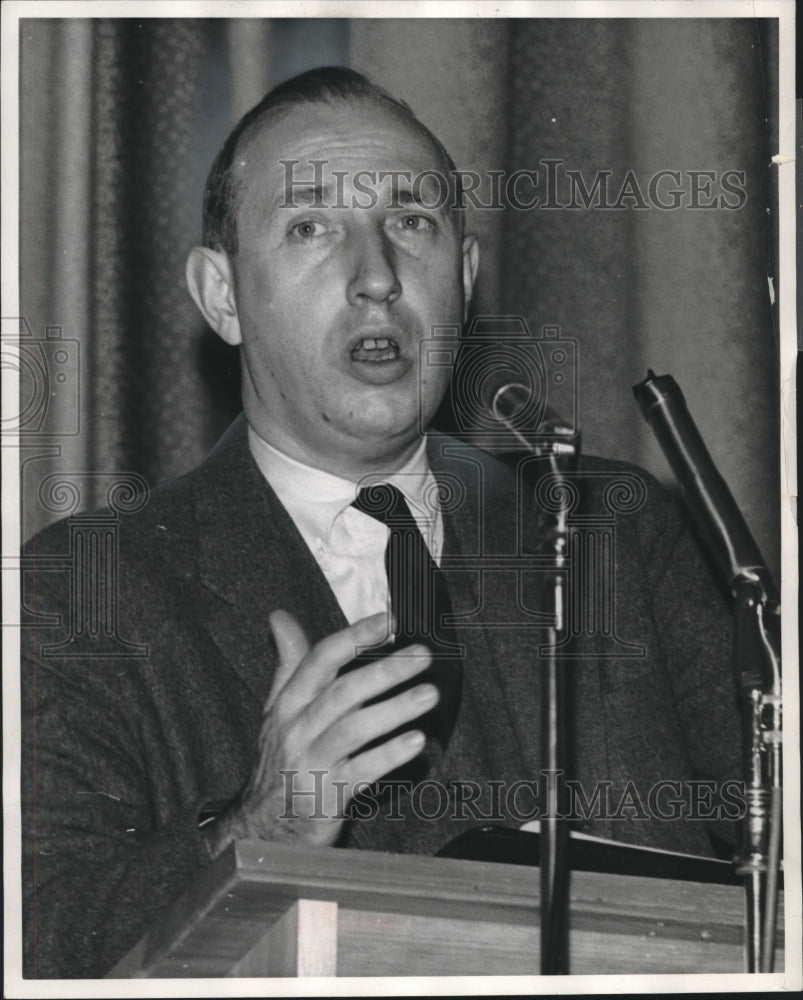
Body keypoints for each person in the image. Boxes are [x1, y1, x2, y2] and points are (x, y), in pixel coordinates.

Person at [21, 67, 743, 979]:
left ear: (466, 277)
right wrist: (259, 827)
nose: (376, 278)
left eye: (411, 223)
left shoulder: (617, 531)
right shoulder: (82, 589)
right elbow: (38, 933)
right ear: (222, 297)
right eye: (310, 226)